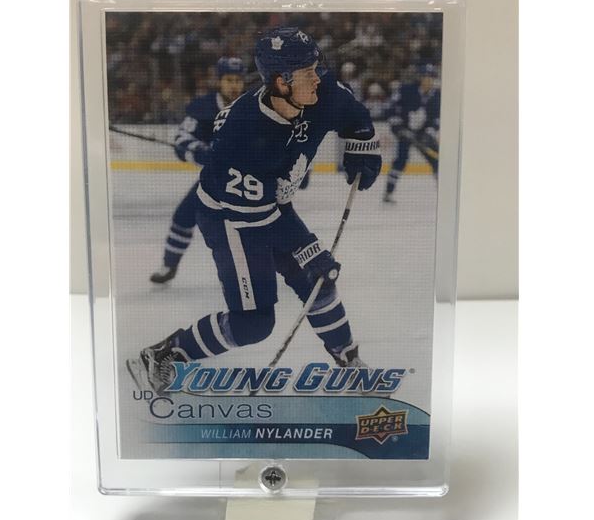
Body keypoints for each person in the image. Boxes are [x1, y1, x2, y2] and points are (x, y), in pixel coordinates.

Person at [130, 27, 382, 395]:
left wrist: (362, 145)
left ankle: (347, 357)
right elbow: (259, 220)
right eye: (307, 72)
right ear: (281, 82)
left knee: (317, 283)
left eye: (316, 68)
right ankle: (164, 354)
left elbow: (353, 114)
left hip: (269, 206)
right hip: (229, 219)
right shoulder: (242, 137)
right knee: (254, 323)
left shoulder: (323, 91)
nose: (318, 77)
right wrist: (310, 252)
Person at [150, 57, 246, 283]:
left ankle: (290, 267)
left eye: (238, 80)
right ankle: (169, 264)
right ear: (219, 81)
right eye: (229, 80)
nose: (234, 85)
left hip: (250, 180)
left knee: (262, 224)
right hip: (215, 179)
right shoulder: (203, 107)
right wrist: (200, 152)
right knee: (183, 215)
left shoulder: (254, 105)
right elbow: (182, 139)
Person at [383, 64, 440, 203]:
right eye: (425, 76)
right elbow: (390, 108)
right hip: (405, 132)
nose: (428, 80)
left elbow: (437, 118)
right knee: (400, 161)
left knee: (437, 161)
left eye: (431, 77)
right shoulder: (406, 90)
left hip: (423, 134)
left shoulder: (437, 96)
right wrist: (398, 127)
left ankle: (444, 193)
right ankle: (388, 193)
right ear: (420, 77)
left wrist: (429, 134)